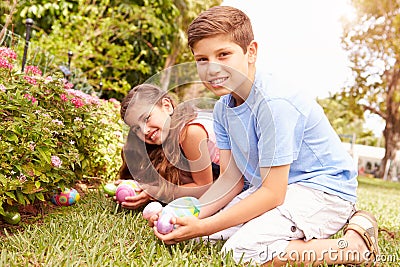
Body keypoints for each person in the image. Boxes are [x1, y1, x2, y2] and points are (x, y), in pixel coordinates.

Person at [151, 6, 380, 267]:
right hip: (273, 190)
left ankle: (353, 247)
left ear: (251, 52)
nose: (212, 69)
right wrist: (190, 219)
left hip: (322, 191)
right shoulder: (222, 108)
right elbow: (231, 181)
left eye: (223, 54)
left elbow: (273, 193)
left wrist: (202, 226)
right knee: (195, 238)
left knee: (241, 252)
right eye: (202, 59)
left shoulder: (274, 103)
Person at [112, 83, 221, 209]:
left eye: (146, 118)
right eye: (136, 128)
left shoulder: (191, 132)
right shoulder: (167, 138)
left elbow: (204, 188)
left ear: (167, 106)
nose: (144, 130)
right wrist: (138, 187)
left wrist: (155, 192)